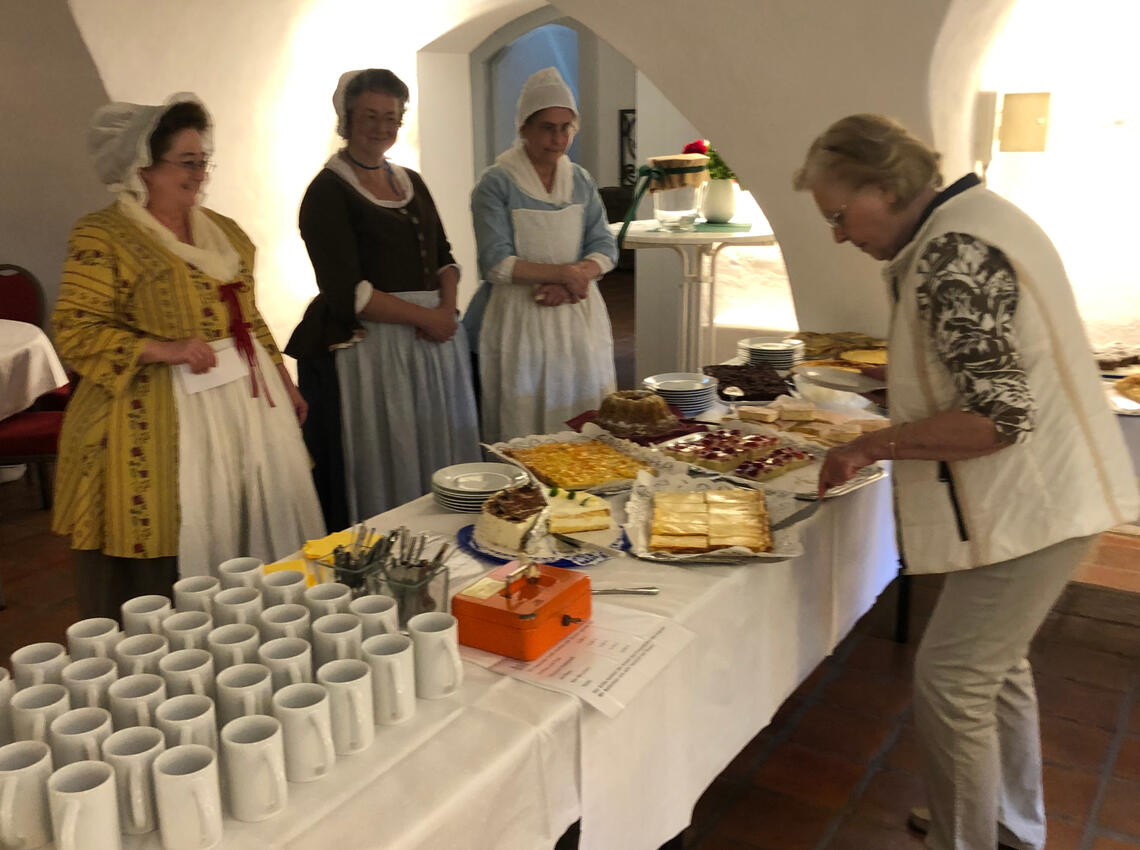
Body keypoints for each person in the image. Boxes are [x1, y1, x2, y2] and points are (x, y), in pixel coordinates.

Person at [793, 114, 1139, 850]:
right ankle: (1010, 822)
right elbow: (987, 366)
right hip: (1046, 492)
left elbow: (996, 417)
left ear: (885, 189)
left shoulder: (955, 251)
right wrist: (907, 384)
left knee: (952, 681)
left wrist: (869, 447)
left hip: (1035, 501)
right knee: (991, 666)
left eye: (838, 214)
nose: (837, 235)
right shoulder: (976, 217)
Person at [53, 94, 326, 619]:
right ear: (144, 168)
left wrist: (284, 383)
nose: (200, 174)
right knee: (172, 531)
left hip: (244, 409)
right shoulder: (103, 234)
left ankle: (258, 633)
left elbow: (248, 316)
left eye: (204, 162)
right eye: (187, 162)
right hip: (151, 412)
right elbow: (74, 328)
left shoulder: (222, 231)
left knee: (248, 523)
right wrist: (163, 348)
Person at [286, 69, 480, 529]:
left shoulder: (410, 180)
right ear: (346, 118)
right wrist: (427, 318)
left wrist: (446, 311)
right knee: (388, 453)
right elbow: (348, 293)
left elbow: (444, 256)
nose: (381, 126)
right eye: (370, 115)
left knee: (435, 447)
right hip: (372, 349)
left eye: (390, 117)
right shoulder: (326, 193)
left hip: (432, 342)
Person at [464, 66, 619, 442]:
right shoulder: (496, 183)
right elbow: (496, 262)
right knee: (524, 415)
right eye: (547, 127)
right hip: (519, 317)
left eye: (566, 127)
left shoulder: (580, 180)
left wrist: (572, 281)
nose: (558, 138)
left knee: (583, 409)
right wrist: (565, 275)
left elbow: (605, 246)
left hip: (577, 314)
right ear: (524, 128)